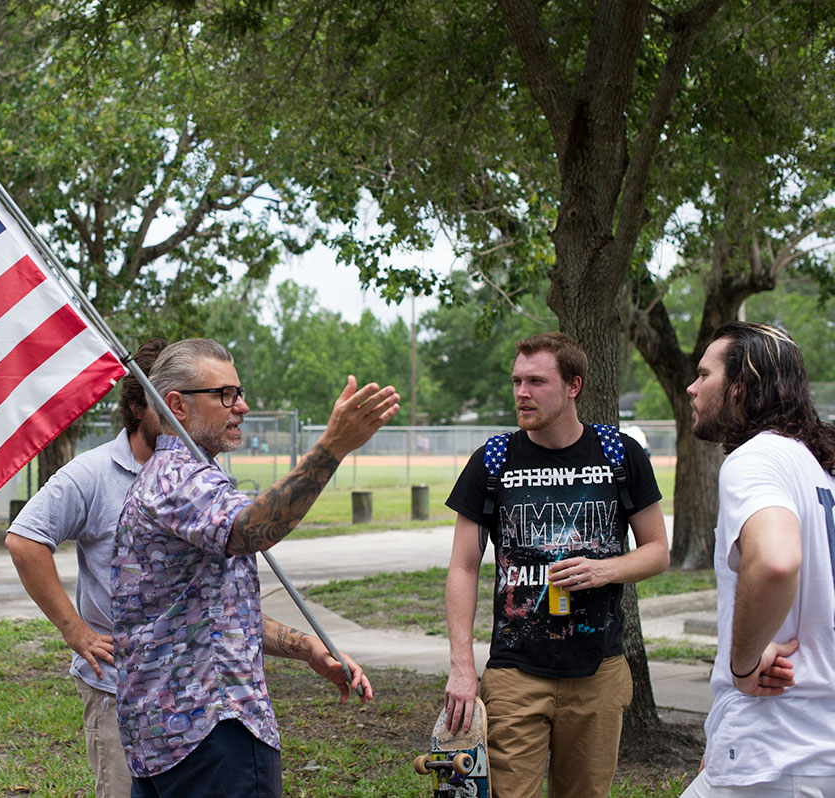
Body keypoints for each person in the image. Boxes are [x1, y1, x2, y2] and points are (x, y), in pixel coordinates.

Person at [111, 337, 400, 797]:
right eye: (225, 394)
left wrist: (305, 647)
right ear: (177, 405)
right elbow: (250, 529)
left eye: (239, 391)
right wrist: (331, 448)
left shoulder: (168, 476)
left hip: (166, 740)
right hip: (210, 734)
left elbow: (211, 615)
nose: (241, 406)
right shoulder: (180, 477)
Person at [443, 331, 669, 798]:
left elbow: (657, 550)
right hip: (516, 670)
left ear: (574, 386)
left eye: (537, 382)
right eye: (517, 381)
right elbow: (463, 567)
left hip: (599, 669)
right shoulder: (493, 461)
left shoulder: (619, 455)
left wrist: (604, 570)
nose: (522, 393)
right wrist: (462, 666)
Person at [4, 337, 167, 798]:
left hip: (188, 691)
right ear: (136, 407)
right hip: (118, 689)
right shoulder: (93, 473)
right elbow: (25, 540)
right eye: (166, 402)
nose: (180, 417)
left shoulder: (201, 471)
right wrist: (75, 631)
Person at [680, 322, 835, 797]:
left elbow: (774, 562)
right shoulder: (817, 468)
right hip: (809, 746)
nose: (691, 387)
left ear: (739, 390)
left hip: (777, 752)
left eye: (704, 375)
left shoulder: (755, 459)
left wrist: (742, 668)